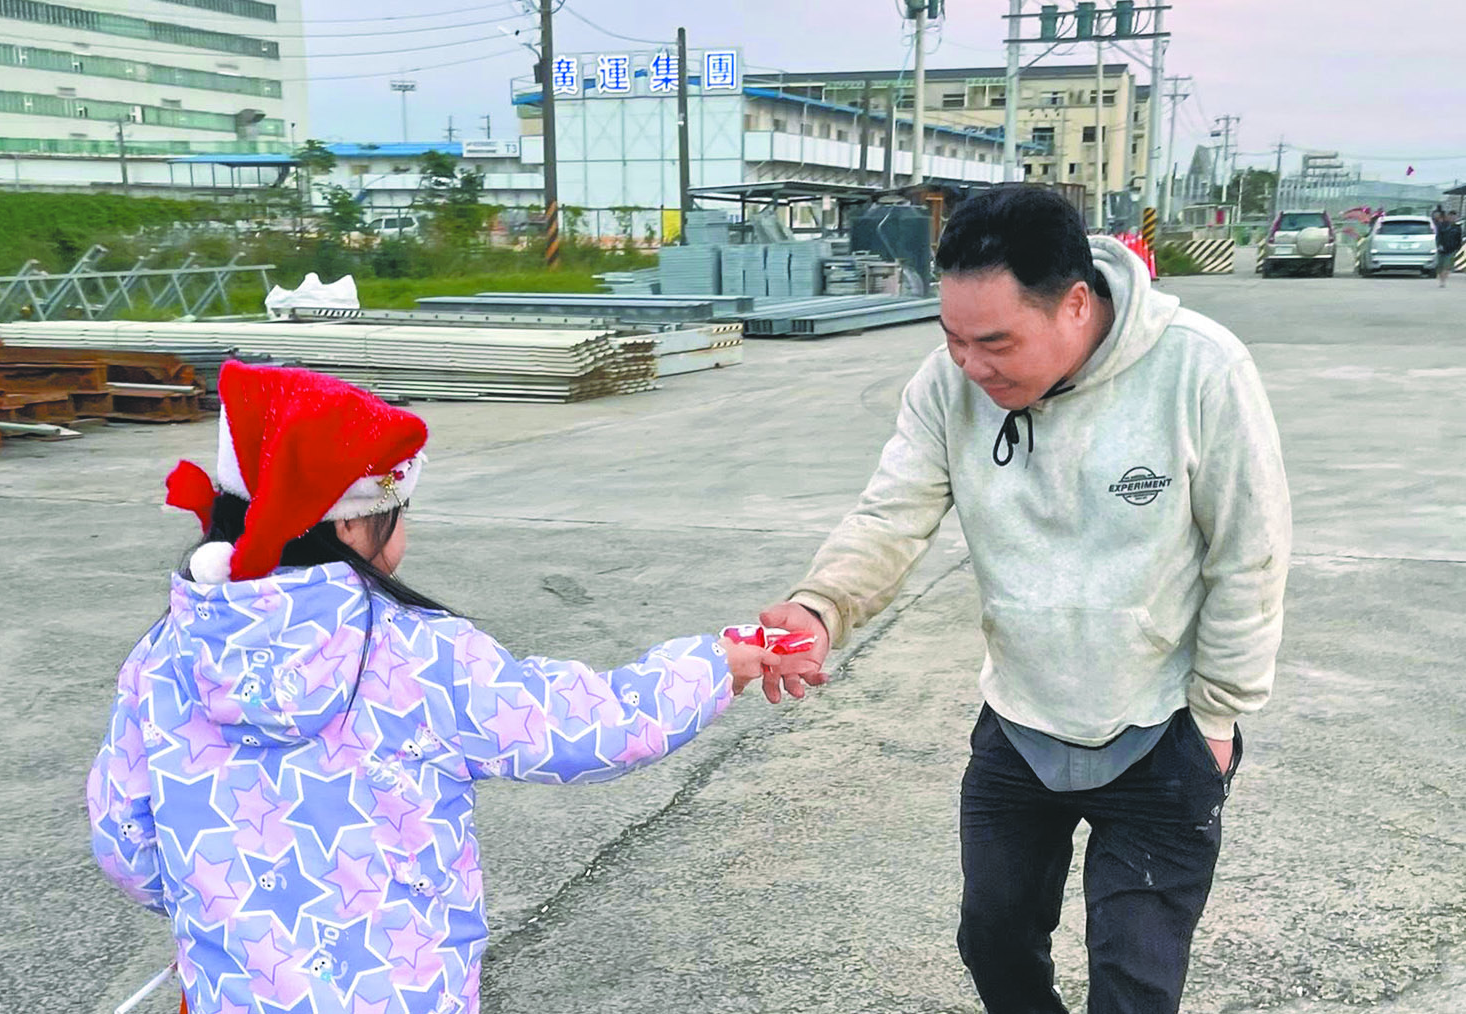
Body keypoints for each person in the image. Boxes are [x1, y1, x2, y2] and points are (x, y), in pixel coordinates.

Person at [87, 362, 780, 1014]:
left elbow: (123, 836)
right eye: (399, 512)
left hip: (233, 993)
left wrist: (223, 921)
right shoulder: (421, 653)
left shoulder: (164, 656)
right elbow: (594, 727)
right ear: (354, 521)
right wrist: (717, 663)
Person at [758, 185, 1292, 1014]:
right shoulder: (950, 385)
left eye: (996, 342)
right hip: (1020, 721)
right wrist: (822, 606)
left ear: (1075, 304)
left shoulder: (1199, 369)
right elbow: (891, 514)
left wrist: (1216, 722)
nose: (971, 365)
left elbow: (1249, 555)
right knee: (994, 939)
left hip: (1160, 730)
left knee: (1134, 984)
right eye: (953, 338)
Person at [1436, 210, 1462, 288]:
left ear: (1456, 218)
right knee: (1440, 266)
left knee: (1447, 266)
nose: (1452, 218)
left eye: (1454, 217)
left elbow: (1459, 239)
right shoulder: (1442, 225)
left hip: (1451, 249)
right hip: (1442, 249)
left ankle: (1443, 281)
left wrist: (1458, 248)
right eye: (1450, 216)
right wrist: (1438, 245)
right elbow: (1438, 237)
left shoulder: (1457, 228)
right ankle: (1441, 278)